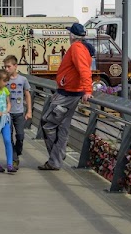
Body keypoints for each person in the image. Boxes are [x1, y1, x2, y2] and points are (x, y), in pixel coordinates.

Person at [38, 23, 93, 171]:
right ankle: (56, 158)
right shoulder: (83, 48)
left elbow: (84, 70)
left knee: (47, 123)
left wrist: (88, 89)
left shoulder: (76, 48)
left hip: (67, 93)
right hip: (71, 92)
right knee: (62, 127)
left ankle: (56, 157)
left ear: (72, 36)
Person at [2, 55, 31, 170]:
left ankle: (18, 151)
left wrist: (29, 111)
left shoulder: (23, 80)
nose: (6, 69)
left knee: (20, 135)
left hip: (19, 113)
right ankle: (14, 159)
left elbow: (27, 95)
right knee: (8, 137)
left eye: (8, 66)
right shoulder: (4, 80)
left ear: (15, 66)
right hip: (7, 113)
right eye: (5, 67)